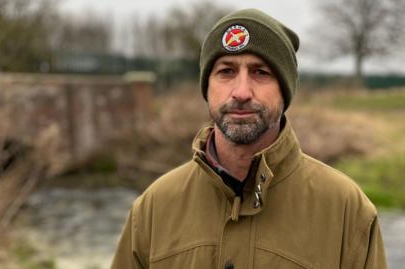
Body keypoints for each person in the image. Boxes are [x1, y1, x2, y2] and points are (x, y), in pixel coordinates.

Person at [111, 8, 387, 269]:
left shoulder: (346, 210)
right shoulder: (153, 208)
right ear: (207, 87)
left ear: (285, 91)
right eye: (226, 72)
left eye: (260, 73)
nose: (241, 92)